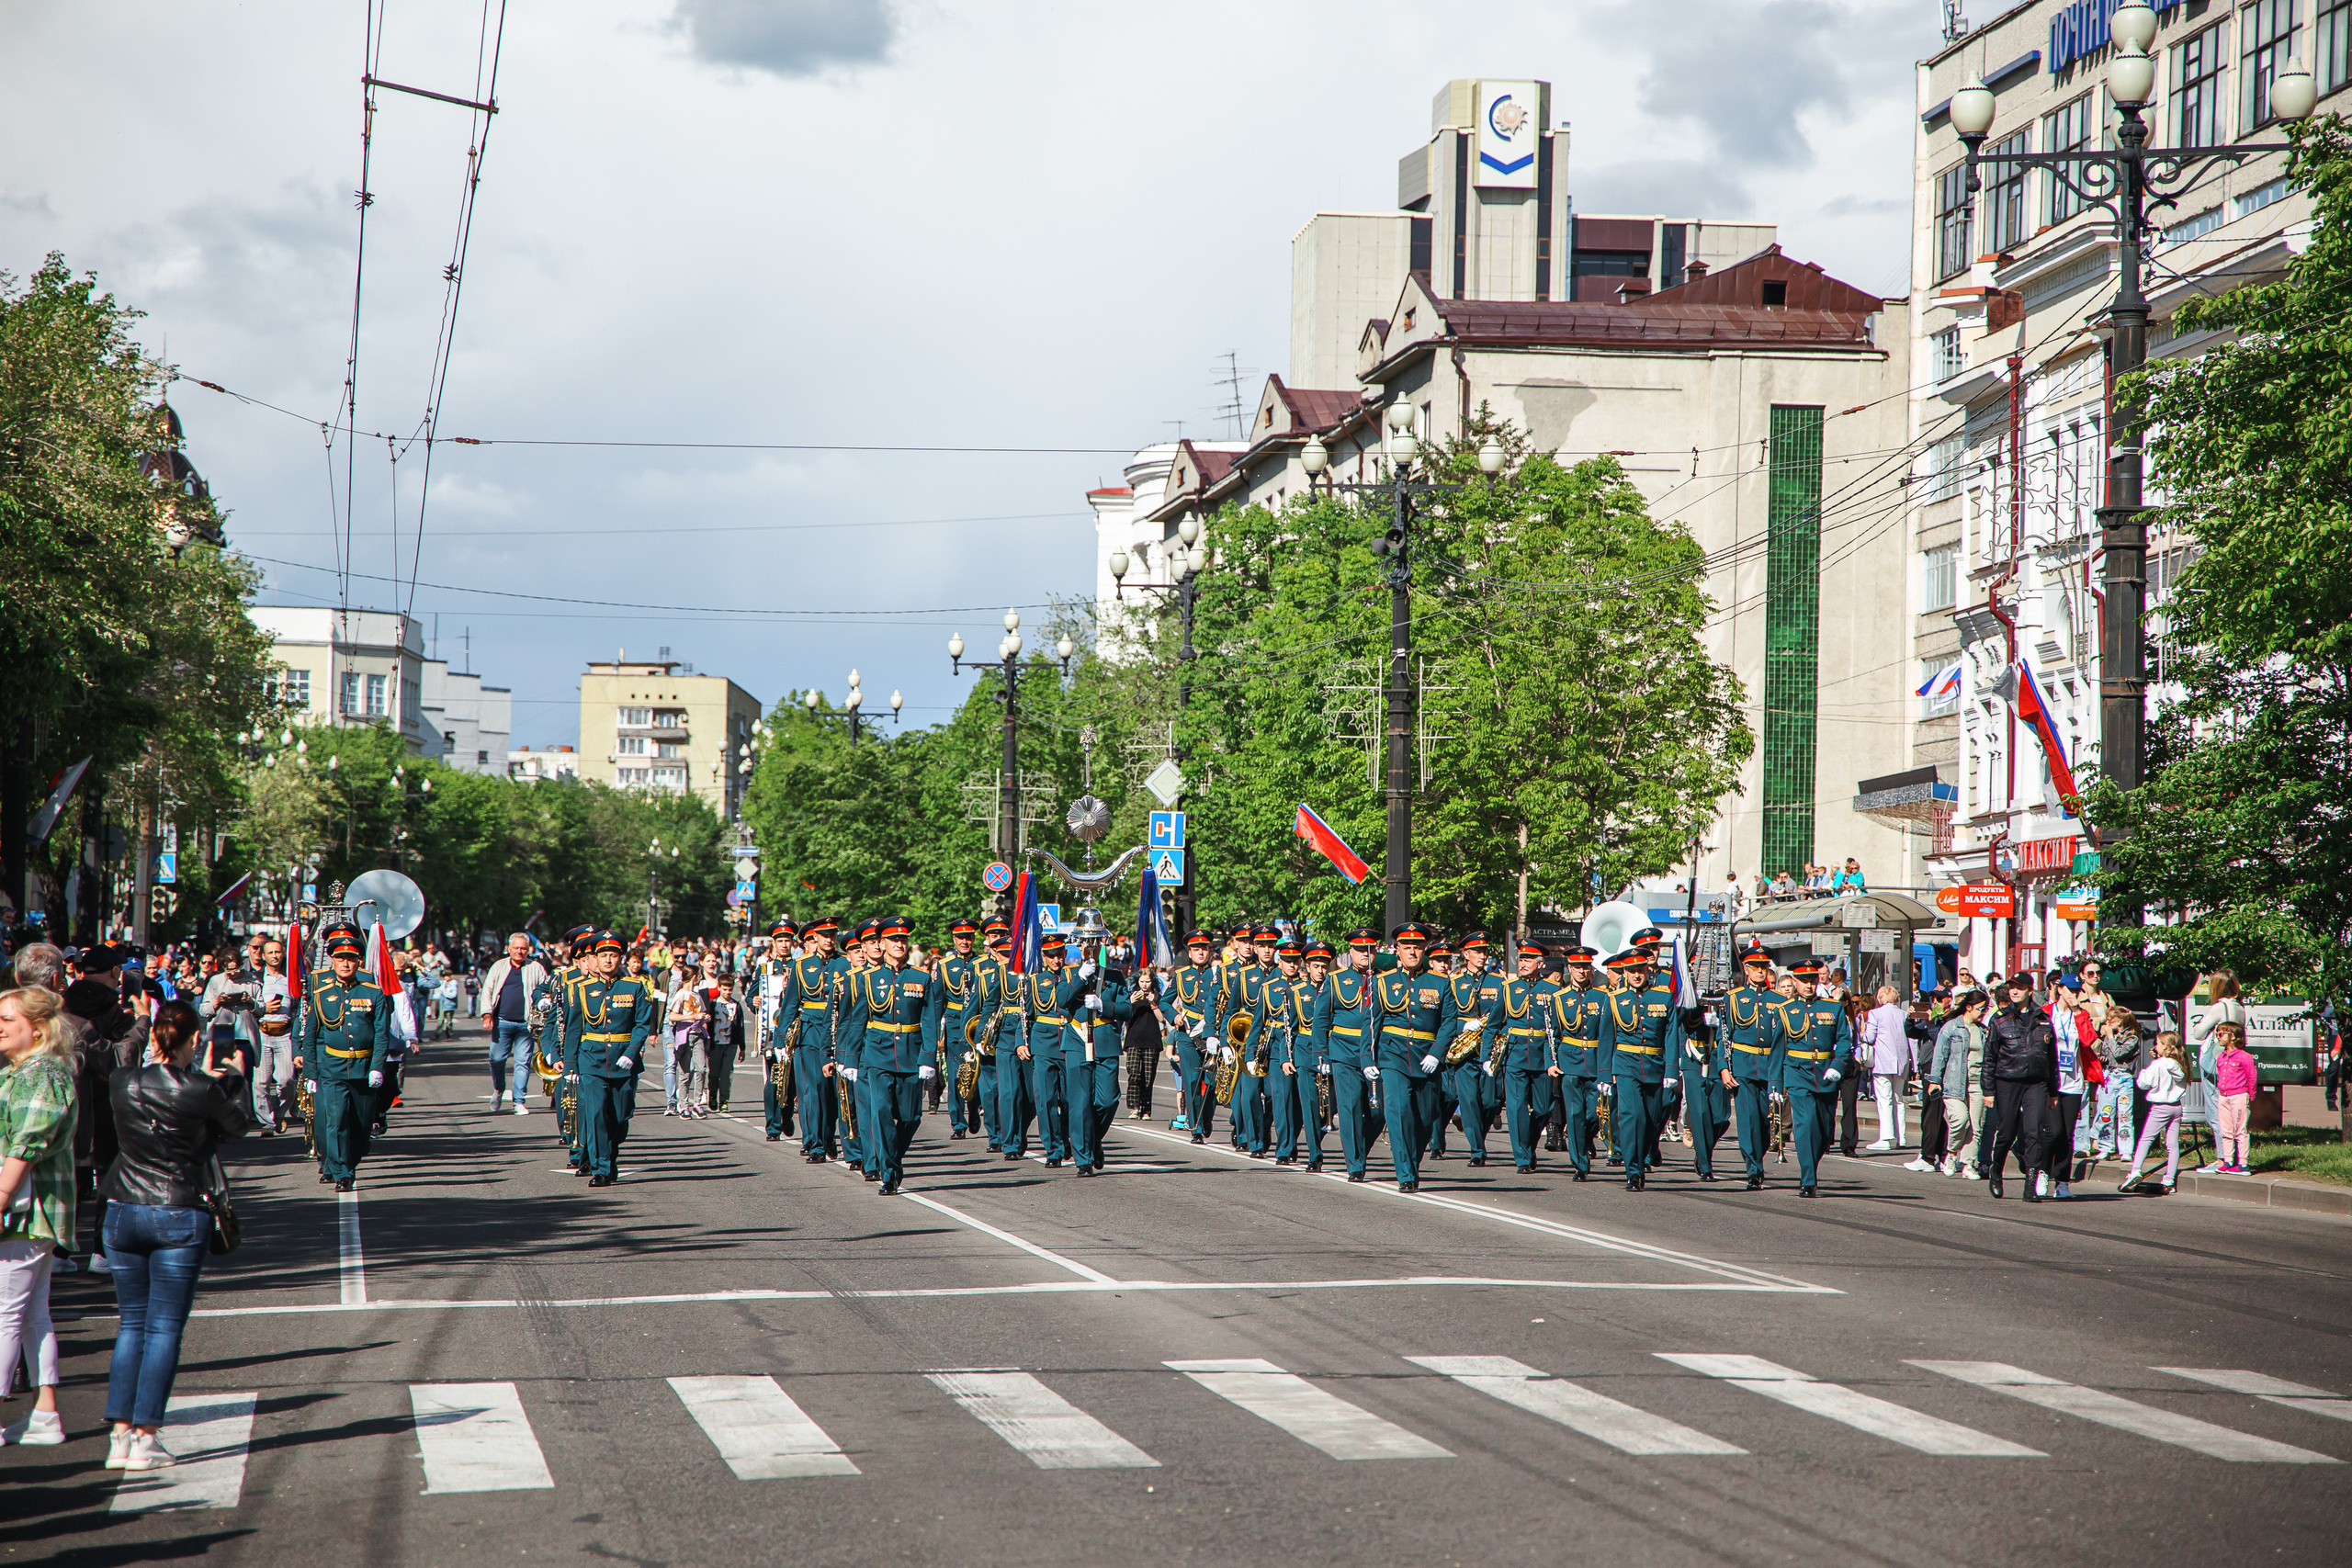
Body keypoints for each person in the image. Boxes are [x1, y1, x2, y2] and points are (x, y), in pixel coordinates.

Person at [98, 997, 250, 1472]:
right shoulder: (201, 1089)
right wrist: (233, 1078)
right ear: (193, 1040)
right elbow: (237, 1125)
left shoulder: (123, 1081)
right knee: (164, 1328)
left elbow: (144, 1074)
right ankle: (146, 1435)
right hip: (177, 1210)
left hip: (122, 1209)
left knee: (132, 1324)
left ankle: (120, 1435)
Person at [0, 987, 78, 1448]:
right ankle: (45, 1412)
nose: (0, 1026)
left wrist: (2, 1194)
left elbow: (27, 1141)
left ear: (38, 1028)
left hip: (26, 1210)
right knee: (31, 1314)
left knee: (6, 1315)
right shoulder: (20, 1071)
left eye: (8, 1019)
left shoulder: (41, 1072)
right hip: (30, 1210)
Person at [293, 926, 392, 1191]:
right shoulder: (320, 995)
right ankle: (341, 1173)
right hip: (332, 1069)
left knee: (360, 1128)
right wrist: (312, 1072)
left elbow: (382, 1034)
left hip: (363, 1068)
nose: (345, 963)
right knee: (335, 1122)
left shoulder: (373, 993)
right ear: (333, 961)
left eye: (350, 959)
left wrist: (378, 1067)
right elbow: (311, 1036)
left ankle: (351, 1161)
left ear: (358, 961)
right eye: (339, 958)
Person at [560, 931, 654, 1187]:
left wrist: (632, 1052)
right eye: (603, 956)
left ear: (621, 958)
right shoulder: (582, 989)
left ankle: (611, 1155)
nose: (608, 961)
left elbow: (642, 1024)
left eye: (613, 955)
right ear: (596, 959)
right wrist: (570, 1064)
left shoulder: (634, 987)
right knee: (597, 1114)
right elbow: (574, 1029)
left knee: (620, 1117)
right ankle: (601, 1168)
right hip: (591, 1061)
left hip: (624, 1060)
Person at [1372, 922, 1452, 1192]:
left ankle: (1411, 1162)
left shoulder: (1440, 982)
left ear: (1425, 950)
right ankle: (1405, 1174)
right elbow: (1371, 1023)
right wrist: (1367, 1059)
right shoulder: (1383, 982)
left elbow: (1449, 1022)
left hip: (1426, 1057)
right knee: (1398, 1112)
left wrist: (1437, 1053)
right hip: (1392, 1055)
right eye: (1407, 948)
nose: (1413, 953)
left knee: (1426, 1119)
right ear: (1397, 950)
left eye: (1417, 948)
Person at [1983, 974, 2059, 1201]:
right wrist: (1988, 1090)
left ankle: (2030, 1184)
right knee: (2006, 1132)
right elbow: (1990, 1058)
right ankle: (1996, 1170)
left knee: (2034, 1132)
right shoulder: (2000, 1020)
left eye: (2020, 988)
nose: (2015, 991)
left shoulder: (2043, 1020)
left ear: (2029, 991)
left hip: (2036, 1082)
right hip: (2008, 1081)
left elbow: (2051, 1058)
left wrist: (2053, 1091)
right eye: (2012, 988)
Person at [1717, 942, 1782, 1190]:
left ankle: (1759, 1154)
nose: (1760, 971)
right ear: (1746, 968)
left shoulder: (1778, 999)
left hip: (1769, 1066)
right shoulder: (1733, 998)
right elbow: (1723, 1036)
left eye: (1764, 966)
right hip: (1743, 1066)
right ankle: (1753, 1169)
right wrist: (1724, 1067)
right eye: (1755, 966)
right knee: (1748, 1120)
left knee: (1766, 1125)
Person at [478, 932, 547, 1117]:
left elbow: (545, 994)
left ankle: (519, 1101)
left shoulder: (536, 968)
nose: (520, 951)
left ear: (528, 950)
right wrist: (486, 1015)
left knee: (523, 1062)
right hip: (502, 1022)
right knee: (497, 1059)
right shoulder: (498, 966)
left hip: (527, 1024)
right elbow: (488, 991)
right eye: (516, 948)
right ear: (509, 949)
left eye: (523, 948)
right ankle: (499, 1088)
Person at [2045, 975, 2096, 1197]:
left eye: (2077, 991)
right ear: (2059, 990)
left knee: (2067, 1133)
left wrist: (2077, 1013)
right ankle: (2041, 1172)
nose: (2074, 995)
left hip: (2073, 1081)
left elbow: (2088, 1041)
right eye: (2070, 990)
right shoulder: (2046, 1012)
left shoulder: (2081, 1015)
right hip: (2050, 1080)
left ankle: (2062, 1181)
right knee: (2051, 1132)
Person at [1929, 991, 1988, 1177]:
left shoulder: (1983, 1030)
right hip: (1955, 1082)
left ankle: (1968, 1164)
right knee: (1960, 1120)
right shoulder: (1951, 1028)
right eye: (1980, 1009)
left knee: (1976, 1126)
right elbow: (1940, 1055)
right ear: (1969, 1007)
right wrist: (1934, 1080)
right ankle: (1952, 1153)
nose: (1983, 1012)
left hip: (1977, 1083)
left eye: (1985, 1009)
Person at [1860, 984, 1911, 1151]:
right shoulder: (1903, 1014)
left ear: (1881, 998)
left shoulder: (1875, 1013)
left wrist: (1861, 1031)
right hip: (1901, 1061)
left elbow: (1869, 1037)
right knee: (1898, 1100)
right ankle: (1901, 1137)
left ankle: (1886, 1137)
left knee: (1884, 1099)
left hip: (1883, 1061)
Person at [2211, 1021, 2257, 1175]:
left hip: (2238, 1095)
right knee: (2225, 1130)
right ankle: (2228, 1160)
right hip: (2223, 1096)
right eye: (2217, 1033)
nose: (2218, 1036)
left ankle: (2243, 1163)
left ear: (2233, 1037)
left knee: (2240, 1130)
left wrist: (2250, 1096)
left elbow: (2252, 1077)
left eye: (2221, 1033)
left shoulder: (2244, 1057)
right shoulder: (2221, 1057)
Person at [707, 974, 743, 1113]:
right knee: (714, 1072)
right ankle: (712, 1095)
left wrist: (742, 1048)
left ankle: (724, 1100)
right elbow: (709, 1025)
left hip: (731, 1044)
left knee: (727, 1073)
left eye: (730, 990)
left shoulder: (736, 1005)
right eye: (725, 989)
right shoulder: (714, 1004)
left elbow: (740, 1027)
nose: (727, 992)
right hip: (716, 1044)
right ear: (719, 988)